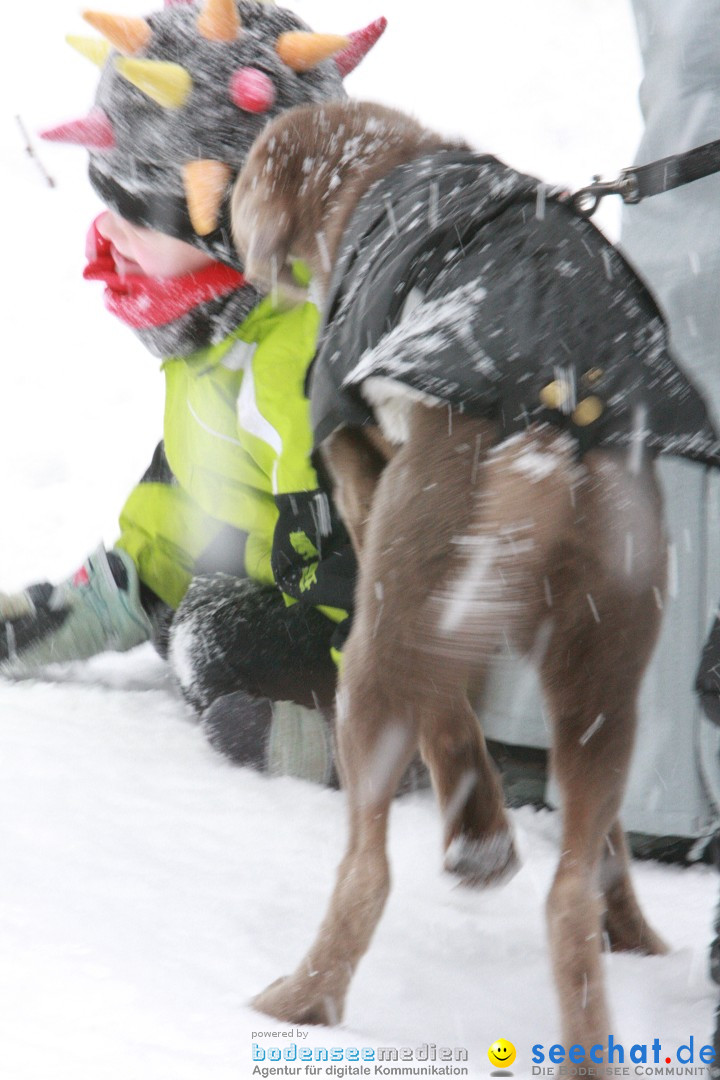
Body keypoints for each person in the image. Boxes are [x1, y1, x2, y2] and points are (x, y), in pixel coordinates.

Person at [0, 0, 386, 783]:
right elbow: (201, 486)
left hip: (407, 633)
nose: (108, 235)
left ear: (244, 227)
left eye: (138, 211)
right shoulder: (228, 324)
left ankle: (394, 745)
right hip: (293, 575)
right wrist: (132, 588)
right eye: (107, 201)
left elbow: (377, 553)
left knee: (214, 635)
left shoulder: (301, 364)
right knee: (198, 599)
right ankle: (133, 594)